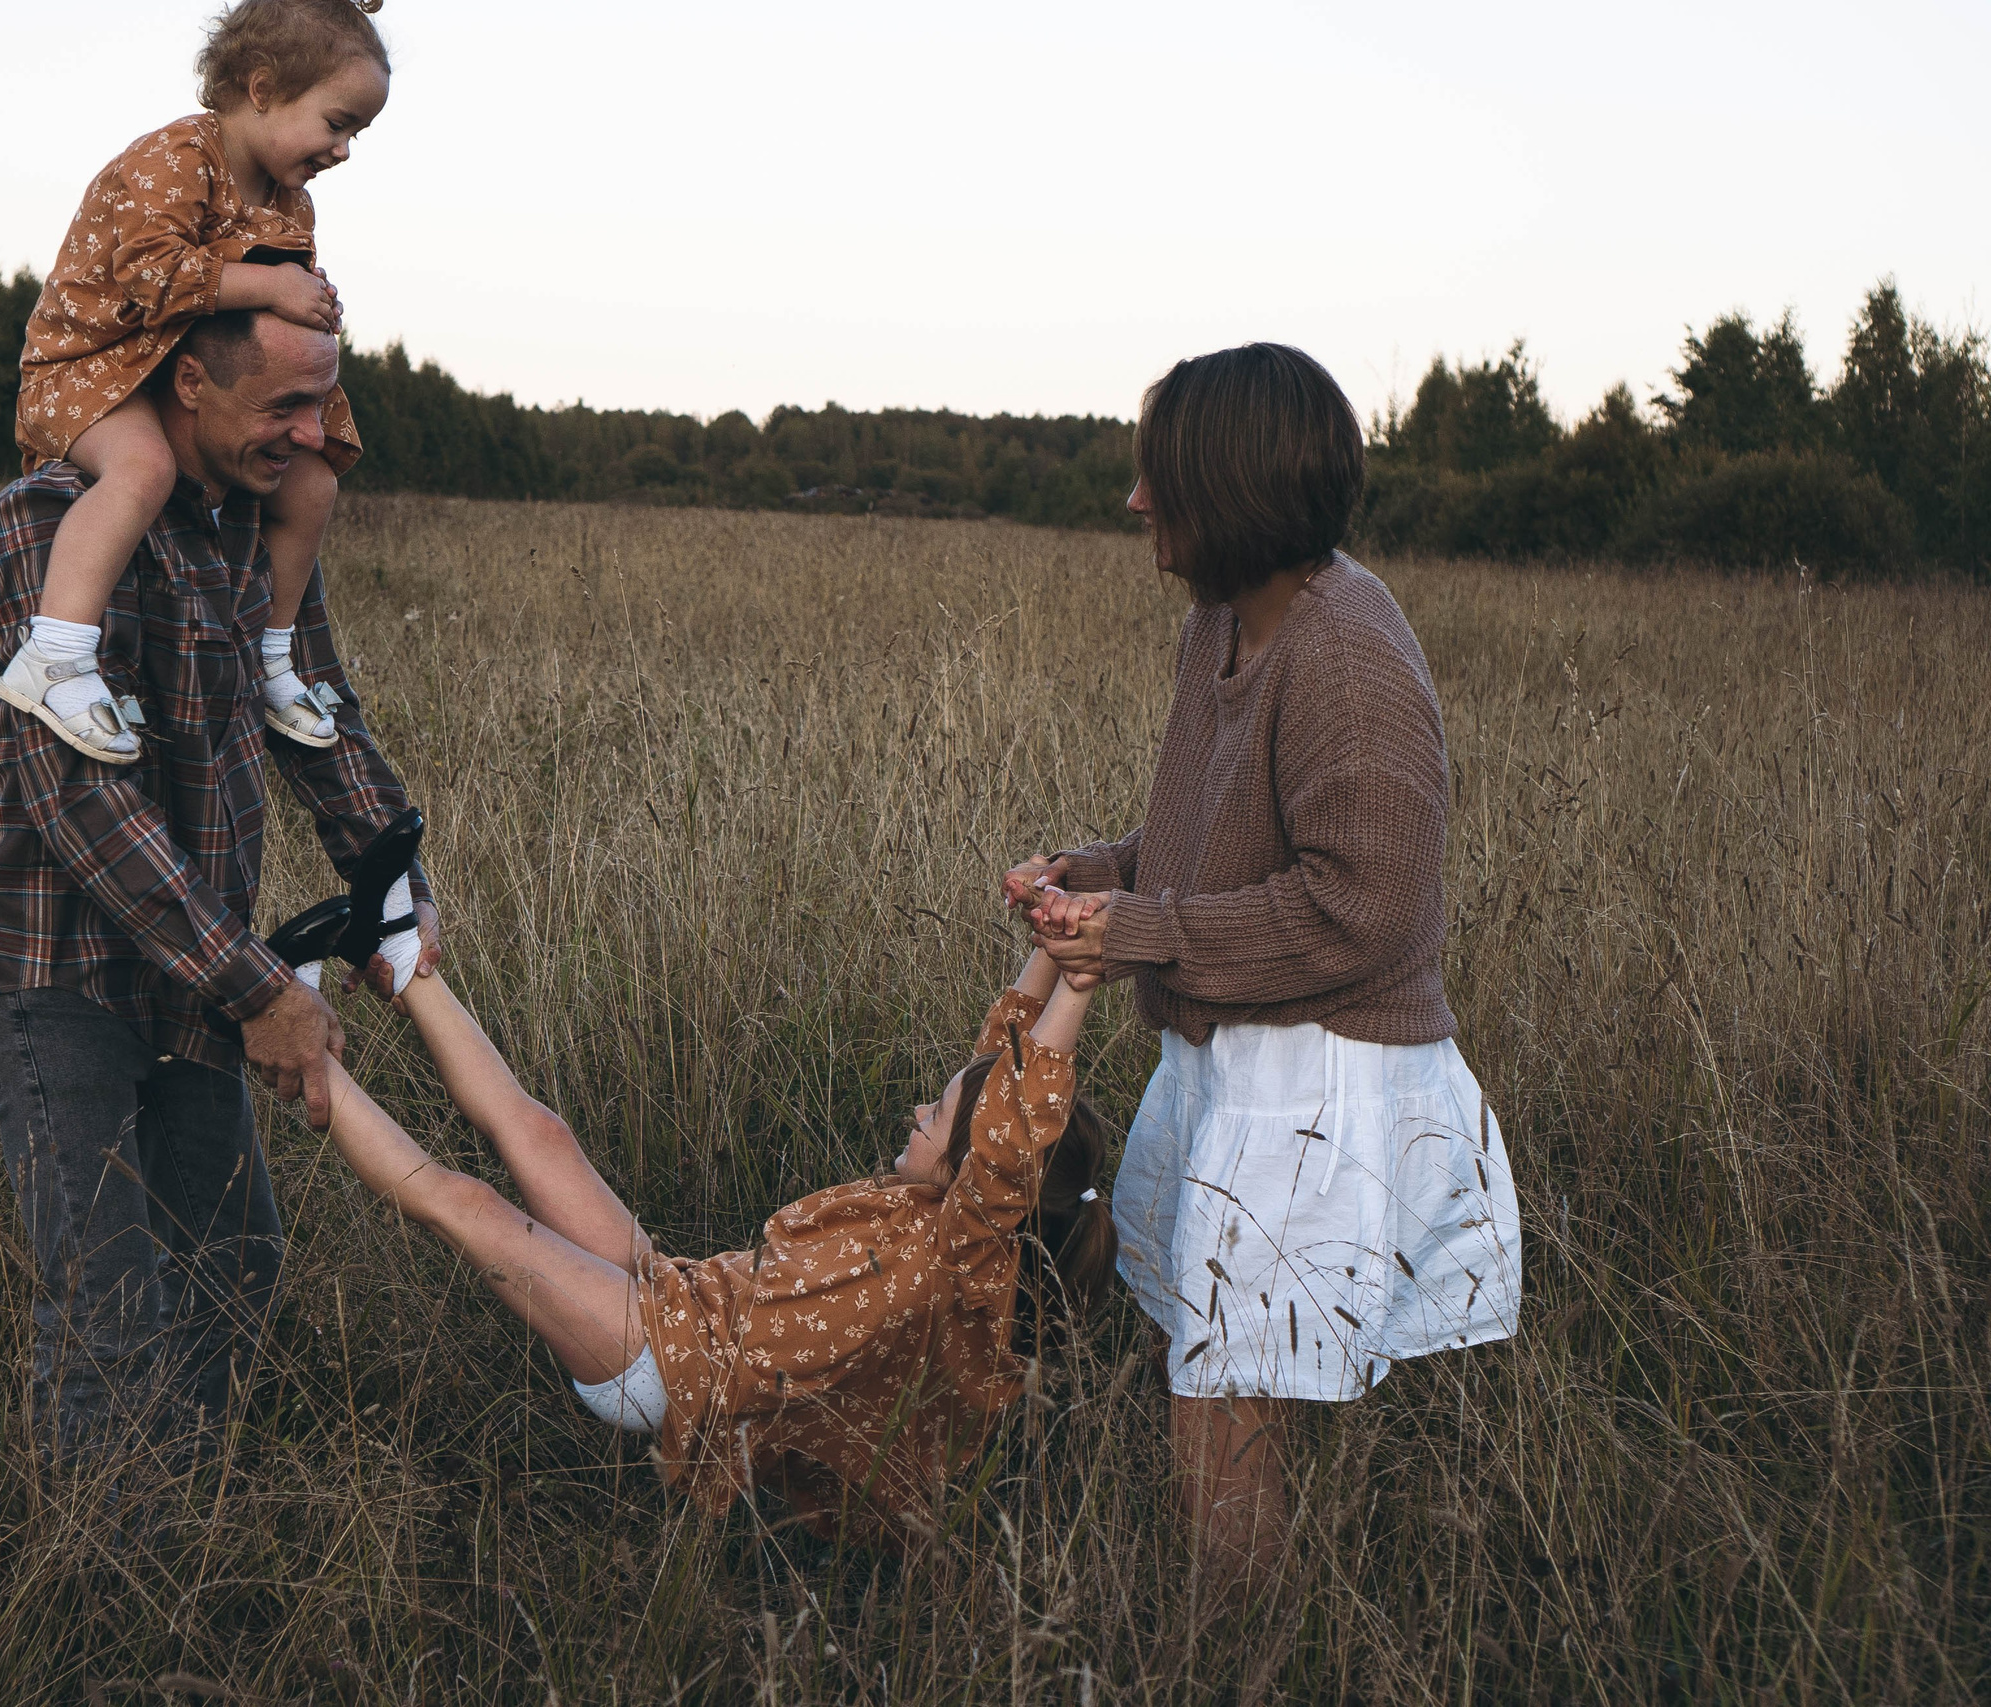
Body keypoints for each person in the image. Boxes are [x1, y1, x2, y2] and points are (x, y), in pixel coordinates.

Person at [1007, 342, 1523, 1588]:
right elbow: (1215, 840)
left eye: (1160, 476)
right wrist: (1095, 873)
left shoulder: (1345, 653)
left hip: (1318, 1083)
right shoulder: (1222, 623)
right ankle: (1229, 1623)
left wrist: (1141, 929)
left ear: (1229, 487)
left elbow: (1367, 909)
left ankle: (1232, 1648)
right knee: (1194, 1359)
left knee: (1223, 1397)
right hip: (1235, 1057)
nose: (1136, 500)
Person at [0, 308, 439, 1470]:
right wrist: (258, 989)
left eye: (322, 405)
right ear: (189, 383)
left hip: (194, 968)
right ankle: (103, 1566)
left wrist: (392, 875)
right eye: (284, 407)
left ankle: (191, 1518)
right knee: (106, 1307)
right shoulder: (47, 526)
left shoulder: (255, 530)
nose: (312, 437)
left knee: (232, 1266)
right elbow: (76, 799)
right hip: (52, 965)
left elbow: (314, 710)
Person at [308, 948, 1119, 1547]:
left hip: (668, 1368)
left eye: (935, 1116)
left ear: (982, 1168)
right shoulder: (946, 1205)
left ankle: (296, 1047)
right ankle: (403, 954)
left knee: (467, 1204)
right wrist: (1051, 945)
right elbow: (1001, 1069)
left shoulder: (964, 1255)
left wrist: (1079, 987)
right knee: (540, 1132)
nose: (917, 1112)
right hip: (680, 1294)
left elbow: (1013, 1126)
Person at [7, 0, 393, 763]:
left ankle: (272, 656)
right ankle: (55, 654)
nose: (344, 149)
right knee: (144, 469)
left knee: (312, 484)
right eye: (336, 123)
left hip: (175, 375)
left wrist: (309, 305)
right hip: (89, 370)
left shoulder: (291, 201)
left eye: (357, 133)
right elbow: (149, 276)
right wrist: (275, 287)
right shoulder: (176, 158)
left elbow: (263, 318)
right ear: (262, 88)